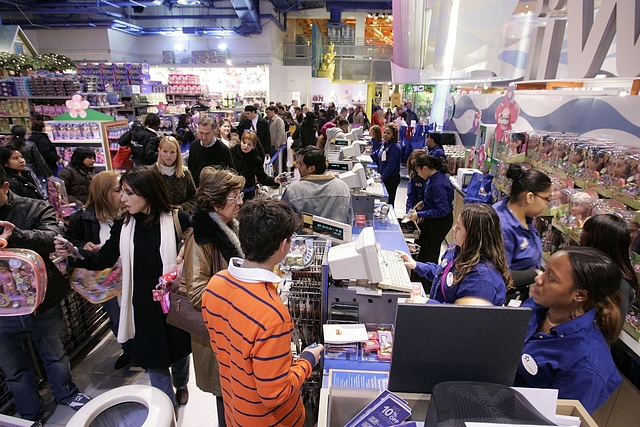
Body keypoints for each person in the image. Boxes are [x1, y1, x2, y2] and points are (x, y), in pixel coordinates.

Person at [55, 166, 192, 411]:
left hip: (173, 301)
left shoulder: (176, 219)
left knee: (180, 352)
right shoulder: (125, 225)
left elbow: (197, 249)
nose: (123, 198)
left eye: (129, 193)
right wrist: (76, 253)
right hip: (143, 305)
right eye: (122, 192)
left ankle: (182, 385)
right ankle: (167, 411)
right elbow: (105, 259)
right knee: (154, 363)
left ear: (147, 192)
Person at [201, 198, 324, 427]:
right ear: (283, 246)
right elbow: (275, 394)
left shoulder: (215, 285)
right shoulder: (272, 316)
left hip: (236, 409)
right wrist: (307, 360)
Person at [0, 165, 91, 422]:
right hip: (2, 310)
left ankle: (66, 393)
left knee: (54, 353)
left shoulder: (33, 207)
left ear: (5, 187)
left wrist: (16, 234)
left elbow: (53, 236)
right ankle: (30, 414)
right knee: (14, 369)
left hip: (41, 300)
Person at [514, 247, 623, 414]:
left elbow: (554, 418)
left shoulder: (586, 364)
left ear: (580, 295)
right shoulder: (536, 306)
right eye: (545, 270)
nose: (539, 278)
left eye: (551, 277)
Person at [183, 167, 246, 427]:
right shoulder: (201, 239)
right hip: (217, 336)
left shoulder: (230, 226)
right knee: (226, 402)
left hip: (234, 328)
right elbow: (197, 294)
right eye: (235, 197)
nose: (241, 201)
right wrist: (242, 288)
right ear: (215, 203)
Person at [63, 171, 133, 370]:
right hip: (104, 280)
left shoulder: (129, 213)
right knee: (116, 317)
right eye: (118, 190)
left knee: (135, 314)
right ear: (103, 193)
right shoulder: (82, 218)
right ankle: (129, 350)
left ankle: (139, 350)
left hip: (129, 275)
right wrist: (83, 245)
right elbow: (71, 242)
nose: (123, 195)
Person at [398, 203, 512, 305]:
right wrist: (416, 265)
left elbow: (463, 317)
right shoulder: (456, 250)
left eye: (459, 227)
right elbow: (443, 273)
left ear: (474, 236)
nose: (454, 229)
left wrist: (429, 303)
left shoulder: (481, 280)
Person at [493, 164, 551, 297]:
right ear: (530, 197)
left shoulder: (526, 218)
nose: (547, 204)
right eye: (547, 199)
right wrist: (536, 274)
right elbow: (498, 274)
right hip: (503, 296)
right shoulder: (502, 225)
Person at [580, 214, 638, 321]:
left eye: (584, 231)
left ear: (597, 240)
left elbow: (610, 331)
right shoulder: (589, 268)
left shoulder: (620, 285)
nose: (580, 234)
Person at [408, 152, 454, 283]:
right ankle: (417, 277)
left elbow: (442, 210)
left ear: (425, 168)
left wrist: (420, 214)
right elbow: (433, 201)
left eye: (418, 171)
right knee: (422, 248)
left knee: (430, 252)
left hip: (440, 222)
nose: (418, 175)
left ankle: (427, 283)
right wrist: (423, 203)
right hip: (432, 219)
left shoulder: (438, 184)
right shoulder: (432, 179)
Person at [281, 145, 352, 225]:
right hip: (337, 237)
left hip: (302, 237)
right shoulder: (342, 187)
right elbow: (349, 220)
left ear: (311, 168)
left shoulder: (293, 190)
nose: (297, 167)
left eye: (300, 164)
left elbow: (283, 224)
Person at [230, 131, 282, 200]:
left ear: (253, 146)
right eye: (244, 142)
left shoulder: (256, 160)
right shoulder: (231, 153)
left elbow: (262, 177)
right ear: (240, 141)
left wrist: (274, 180)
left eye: (249, 144)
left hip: (248, 195)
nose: (245, 146)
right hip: (232, 193)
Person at [188, 117, 235, 188]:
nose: (203, 137)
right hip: (197, 190)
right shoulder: (194, 145)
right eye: (201, 133)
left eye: (207, 134)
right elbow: (191, 168)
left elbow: (231, 172)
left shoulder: (222, 149)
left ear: (214, 132)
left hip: (214, 192)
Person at [155, 136, 196, 213]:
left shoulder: (185, 173)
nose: (168, 156)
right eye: (165, 151)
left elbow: (193, 197)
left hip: (180, 218)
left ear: (177, 153)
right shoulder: (151, 173)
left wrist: (181, 208)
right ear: (159, 151)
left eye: (172, 152)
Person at [370, 124, 402, 206]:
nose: (385, 135)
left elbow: (390, 166)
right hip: (384, 176)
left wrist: (382, 178)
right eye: (384, 133)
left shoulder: (395, 147)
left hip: (391, 178)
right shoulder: (384, 145)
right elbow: (376, 154)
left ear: (393, 135)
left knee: (389, 202)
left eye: (388, 133)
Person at [405, 149, 427, 216]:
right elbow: (411, 197)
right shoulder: (414, 176)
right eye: (413, 166)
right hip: (419, 211)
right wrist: (408, 214)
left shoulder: (433, 179)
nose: (415, 169)